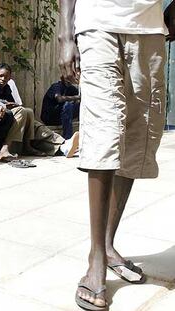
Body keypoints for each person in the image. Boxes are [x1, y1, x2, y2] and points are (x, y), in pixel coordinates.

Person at [59, 1, 173, 310]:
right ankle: (96, 257)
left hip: (149, 28)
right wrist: (65, 34)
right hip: (97, 23)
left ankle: (108, 245)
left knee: (136, 139)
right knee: (103, 132)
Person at [0, 63, 43, 156]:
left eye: (6, 77)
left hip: (6, 113)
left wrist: (10, 104)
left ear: (10, 78)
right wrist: (5, 104)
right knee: (22, 111)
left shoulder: (7, 87)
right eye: (1, 76)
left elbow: (13, 103)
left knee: (29, 111)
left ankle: (27, 145)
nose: (3, 79)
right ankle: (6, 147)